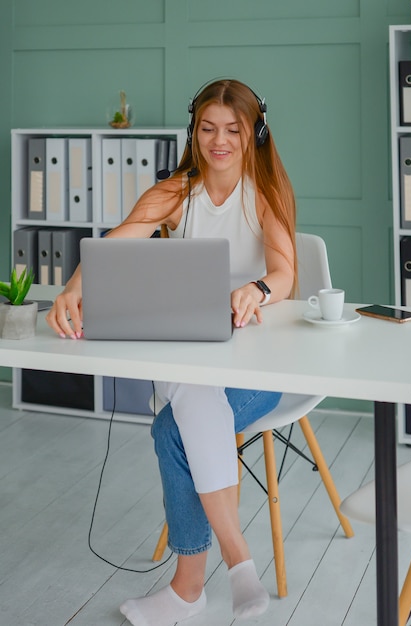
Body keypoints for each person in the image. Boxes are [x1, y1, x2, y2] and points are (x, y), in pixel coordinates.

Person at [46, 78, 297, 626]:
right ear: (194, 131)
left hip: (259, 367)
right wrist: (73, 287)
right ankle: (236, 562)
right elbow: (111, 248)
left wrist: (255, 292)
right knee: (188, 386)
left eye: (232, 129)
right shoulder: (176, 192)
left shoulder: (267, 190)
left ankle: (189, 589)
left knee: (170, 429)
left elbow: (285, 274)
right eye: (207, 128)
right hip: (191, 361)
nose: (219, 140)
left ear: (254, 131)